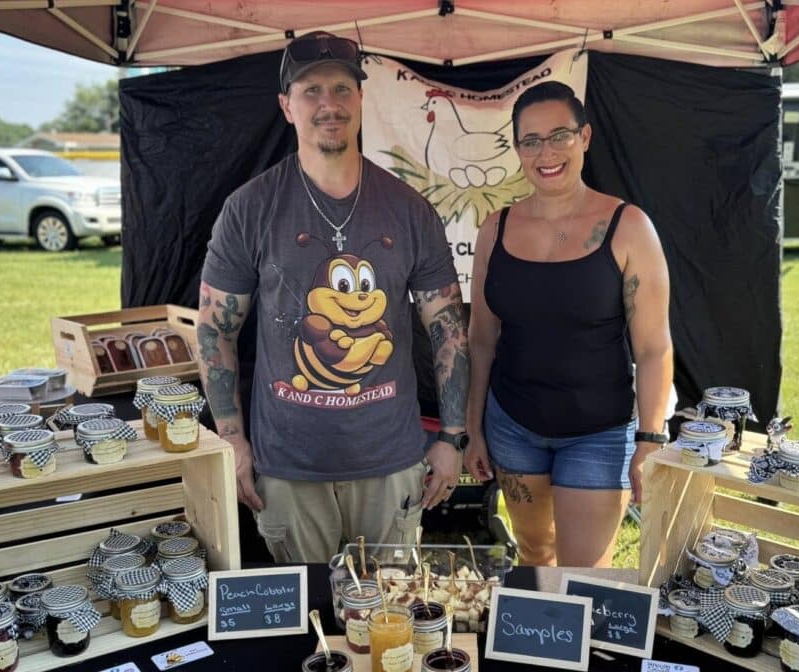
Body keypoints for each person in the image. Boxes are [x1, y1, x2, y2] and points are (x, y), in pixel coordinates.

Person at [197, 31, 470, 564]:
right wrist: (231, 438)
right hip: (289, 468)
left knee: (391, 611)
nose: (330, 104)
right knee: (310, 612)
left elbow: (448, 328)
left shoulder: (409, 209)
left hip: (390, 463)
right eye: (311, 91)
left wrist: (453, 437)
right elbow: (214, 329)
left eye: (343, 89)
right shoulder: (250, 208)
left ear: (361, 99)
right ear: (287, 106)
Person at [463, 81, 673, 568]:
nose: (547, 153)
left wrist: (649, 440)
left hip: (597, 431)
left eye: (560, 135)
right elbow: (481, 340)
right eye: (531, 141)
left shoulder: (628, 227)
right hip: (513, 425)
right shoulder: (495, 229)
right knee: (535, 557)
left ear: (585, 137)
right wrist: (473, 428)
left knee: (583, 575)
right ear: (517, 149)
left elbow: (654, 349)